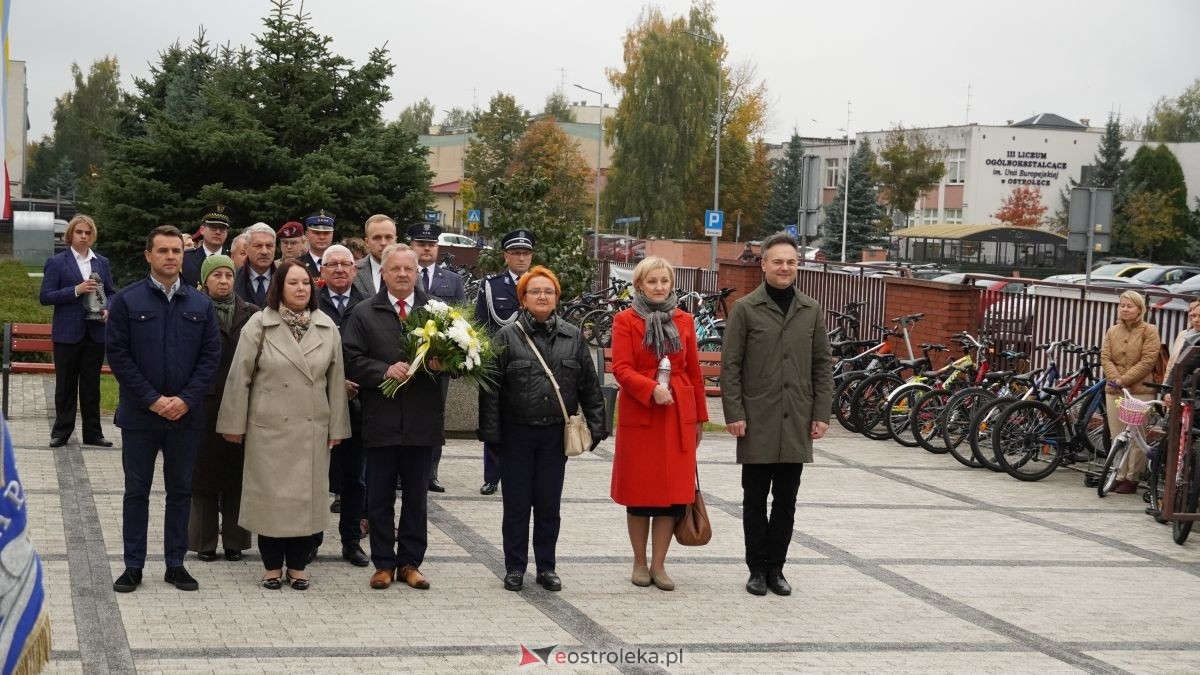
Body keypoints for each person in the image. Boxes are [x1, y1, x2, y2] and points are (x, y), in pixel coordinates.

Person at [217, 260, 351, 590]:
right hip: (268, 428)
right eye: (293, 283)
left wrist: (337, 428)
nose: (301, 288)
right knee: (271, 501)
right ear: (279, 287)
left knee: (305, 500)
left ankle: (299, 566)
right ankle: (272, 566)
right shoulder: (259, 325)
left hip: (311, 428)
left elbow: (336, 382)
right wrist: (233, 424)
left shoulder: (327, 327)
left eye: (305, 282)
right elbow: (239, 377)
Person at [106, 225, 221, 593]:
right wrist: (152, 399)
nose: (171, 256)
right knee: (136, 492)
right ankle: (133, 566)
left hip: (186, 417)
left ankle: (175, 564)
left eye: (176, 251)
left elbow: (210, 357)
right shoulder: (127, 301)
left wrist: (185, 400)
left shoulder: (200, 304)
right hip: (141, 416)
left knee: (181, 492)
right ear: (148, 255)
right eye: (163, 250)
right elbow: (118, 356)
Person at [478, 266, 606, 593]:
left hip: (554, 436)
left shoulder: (572, 336)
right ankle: (515, 567)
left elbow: (589, 386)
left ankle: (546, 567)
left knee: (549, 506)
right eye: (534, 291)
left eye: (548, 291)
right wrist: (491, 435)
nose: (542, 296)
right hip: (516, 435)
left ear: (557, 298)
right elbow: (490, 389)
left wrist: (597, 426)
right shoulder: (506, 337)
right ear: (522, 298)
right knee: (517, 506)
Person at [721, 232, 833, 597]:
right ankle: (756, 569)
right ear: (764, 264)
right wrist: (734, 413)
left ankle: (777, 569)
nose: (785, 268)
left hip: (796, 418)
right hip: (757, 420)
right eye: (778, 261)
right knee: (754, 499)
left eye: (791, 262)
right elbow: (731, 367)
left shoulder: (810, 310)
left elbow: (822, 366)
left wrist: (821, 413)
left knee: (786, 501)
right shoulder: (745, 309)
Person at [342, 244, 445, 591]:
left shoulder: (437, 314)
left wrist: (443, 363)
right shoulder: (364, 312)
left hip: (422, 422)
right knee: (379, 497)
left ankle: (410, 563)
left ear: (417, 273)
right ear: (382, 273)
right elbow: (350, 359)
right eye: (395, 269)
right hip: (381, 420)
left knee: (416, 498)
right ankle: (384, 564)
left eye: (408, 269)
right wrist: (383, 370)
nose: (402, 274)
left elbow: (459, 361)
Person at [610, 257, 707, 591]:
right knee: (640, 495)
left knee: (671, 497)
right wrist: (651, 389)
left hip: (678, 414)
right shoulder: (625, 320)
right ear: (639, 285)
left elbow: (694, 372)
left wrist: (700, 418)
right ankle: (639, 562)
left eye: (664, 281)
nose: (659, 287)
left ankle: (659, 565)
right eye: (652, 281)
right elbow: (621, 368)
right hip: (642, 414)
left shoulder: (685, 320)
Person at [187, 255, 257, 563]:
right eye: (216, 275)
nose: (224, 281)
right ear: (205, 281)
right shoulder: (192, 310)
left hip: (241, 401)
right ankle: (203, 541)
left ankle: (235, 541)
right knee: (202, 474)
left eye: (228, 275)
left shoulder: (251, 313)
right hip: (203, 402)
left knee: (236, 473)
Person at [310, 244, 370, 567]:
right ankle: (311, 541)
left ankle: (351, 541)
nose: (339, 269)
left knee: (354, 479)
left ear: (354, 269)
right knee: (316, 477)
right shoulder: (310, 304)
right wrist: (334, 383)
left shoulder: (368, 305)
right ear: (322, 271)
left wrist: (351, 382)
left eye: (345, 264)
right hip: (316, 405)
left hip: (356, 406)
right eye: (331, 264)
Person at [39, 214, 117, 448]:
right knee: (65, 385)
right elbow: (45, 296)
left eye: (88, 233)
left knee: (91, 385)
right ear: (70, 234)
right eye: (79, 232)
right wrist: (76, 290)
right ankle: (61, 432)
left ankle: (93, 433)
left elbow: (110, 292)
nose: (84, 236)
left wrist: (108, 308)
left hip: (95, 332)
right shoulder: (56, 262)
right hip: (67, 333)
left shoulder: (101, 262)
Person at [474, 229, 535, 496]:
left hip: (532, 365)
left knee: (527, 423)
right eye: (516, 253)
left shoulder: (540, 284)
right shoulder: (492, 286)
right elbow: (481, 324)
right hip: (498, 363)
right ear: (505, 256)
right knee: (493, 421)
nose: (521, 258)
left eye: (526, 253)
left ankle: (522, 474)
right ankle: (492, 476)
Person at [408, 220, 466, 493]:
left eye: (431, 244)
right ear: (411, 245)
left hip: (438, 363)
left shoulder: (452, 280)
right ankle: (404, 471)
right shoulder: (403, 275)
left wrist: (450, 358)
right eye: (421, 244)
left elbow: (461, 321)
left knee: (435, 416)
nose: (426, 249)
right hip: (407, 359)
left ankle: (431, 472)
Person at [1100, 290, 1161, 495]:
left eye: (1129, 306)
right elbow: (1105, 357)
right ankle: (1118, 474)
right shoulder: (1112, 331)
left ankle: (1132, 477)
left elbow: (1148, 361)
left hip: (1140, 390)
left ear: (1140, 309)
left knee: (1136, 434)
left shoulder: (1149, 331)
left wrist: (1123, 380)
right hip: (1114, 390)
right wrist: (1116, 379)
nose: (1125, 309)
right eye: (1122, 305)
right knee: (1117, 434)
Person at [182, 206, 231, 287]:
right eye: (213, 227)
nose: (218, 232)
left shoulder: (232, 259)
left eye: (222, 229)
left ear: (227, 233)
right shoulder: (185, 258)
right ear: (202, 230)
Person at [353, 214, 397, 296]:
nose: (383, 243)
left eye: (388, 237)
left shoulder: (411, 271)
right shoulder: (354, 272)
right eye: (377, 238)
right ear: (367, 242)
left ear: (395, 240)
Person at [234, 223, 277, 306]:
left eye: (269, 246)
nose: (264, 251)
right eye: (258, 246)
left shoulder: (284, 279)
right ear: (246, 248)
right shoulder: (234, 279)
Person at [302, 210, 335, 278]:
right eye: (316, 233)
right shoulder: (297, 265)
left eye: (326, 233)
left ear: (332, 235)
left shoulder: (341, 264)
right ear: (307, 235)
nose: (322, 237)